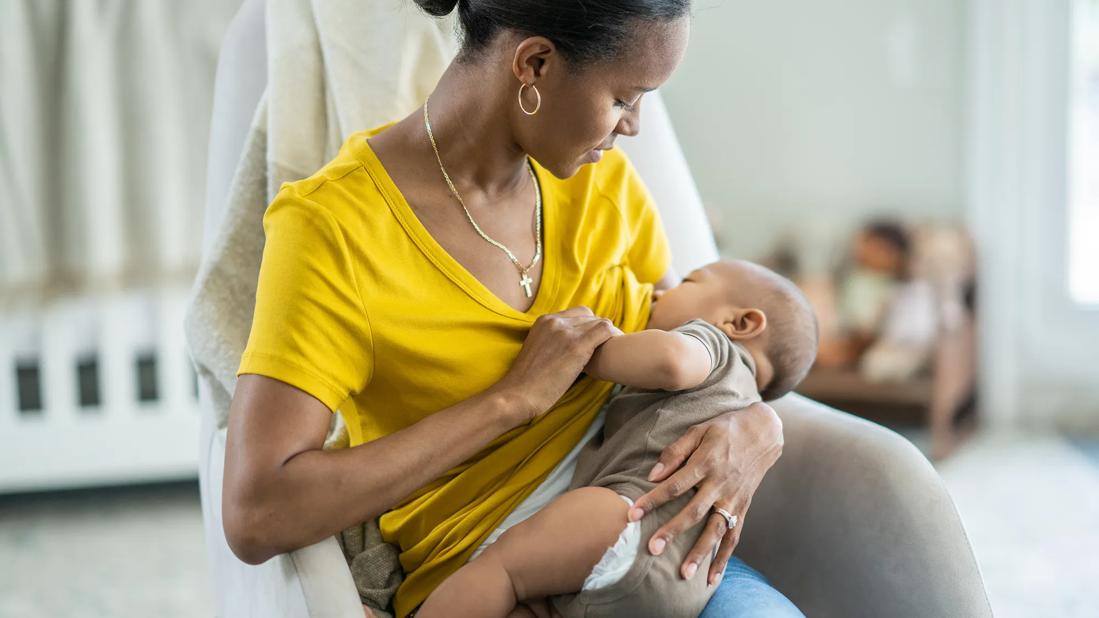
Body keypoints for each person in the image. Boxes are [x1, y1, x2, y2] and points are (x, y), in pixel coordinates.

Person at [222, 1, 795, 616]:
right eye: (625, 99)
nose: (633, 127)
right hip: (478, 585)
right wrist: (509, 402)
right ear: (536, 63)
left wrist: (758, 426)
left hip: (651, 559)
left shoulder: (608, 187)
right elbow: (257, 513)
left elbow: (700, 351)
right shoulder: (333, 229)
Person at [413, 259, 817, 617]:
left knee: (500, 571)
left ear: (740, 323)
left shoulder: (715, 345)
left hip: (628, 516)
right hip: (685, 586)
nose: (660, 291)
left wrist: (578, 353)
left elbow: (670, 361)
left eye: (688, 282)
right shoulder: (740, 402)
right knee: (530, 604)